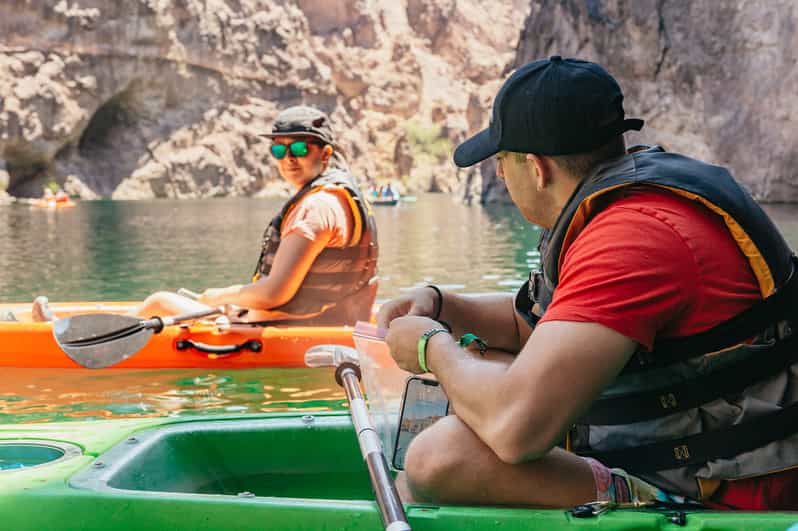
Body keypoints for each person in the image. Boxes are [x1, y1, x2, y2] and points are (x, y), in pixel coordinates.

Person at [377, 56, 798, 510]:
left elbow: (514, 430)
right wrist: (445, 306)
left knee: (439, 459)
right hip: (691, 452)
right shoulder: (626, 207)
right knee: (491, 362)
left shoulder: (632, 238)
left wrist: (432, 347)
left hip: (723, 490)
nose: (499, 174)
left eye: (501, 162)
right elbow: (544, 322)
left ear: (537, 169)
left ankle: (638, 499)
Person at [32, 106, 379, 326]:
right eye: (279, 149)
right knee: (169, 304)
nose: (288, 157)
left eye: (300, 148)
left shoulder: (316, 208)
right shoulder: (340, 197)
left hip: (292, 331)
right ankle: (74, 322)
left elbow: (274, 294)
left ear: (326, 153)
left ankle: (61, 331)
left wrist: (217, 296)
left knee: (160, 301)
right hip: (322, 324)